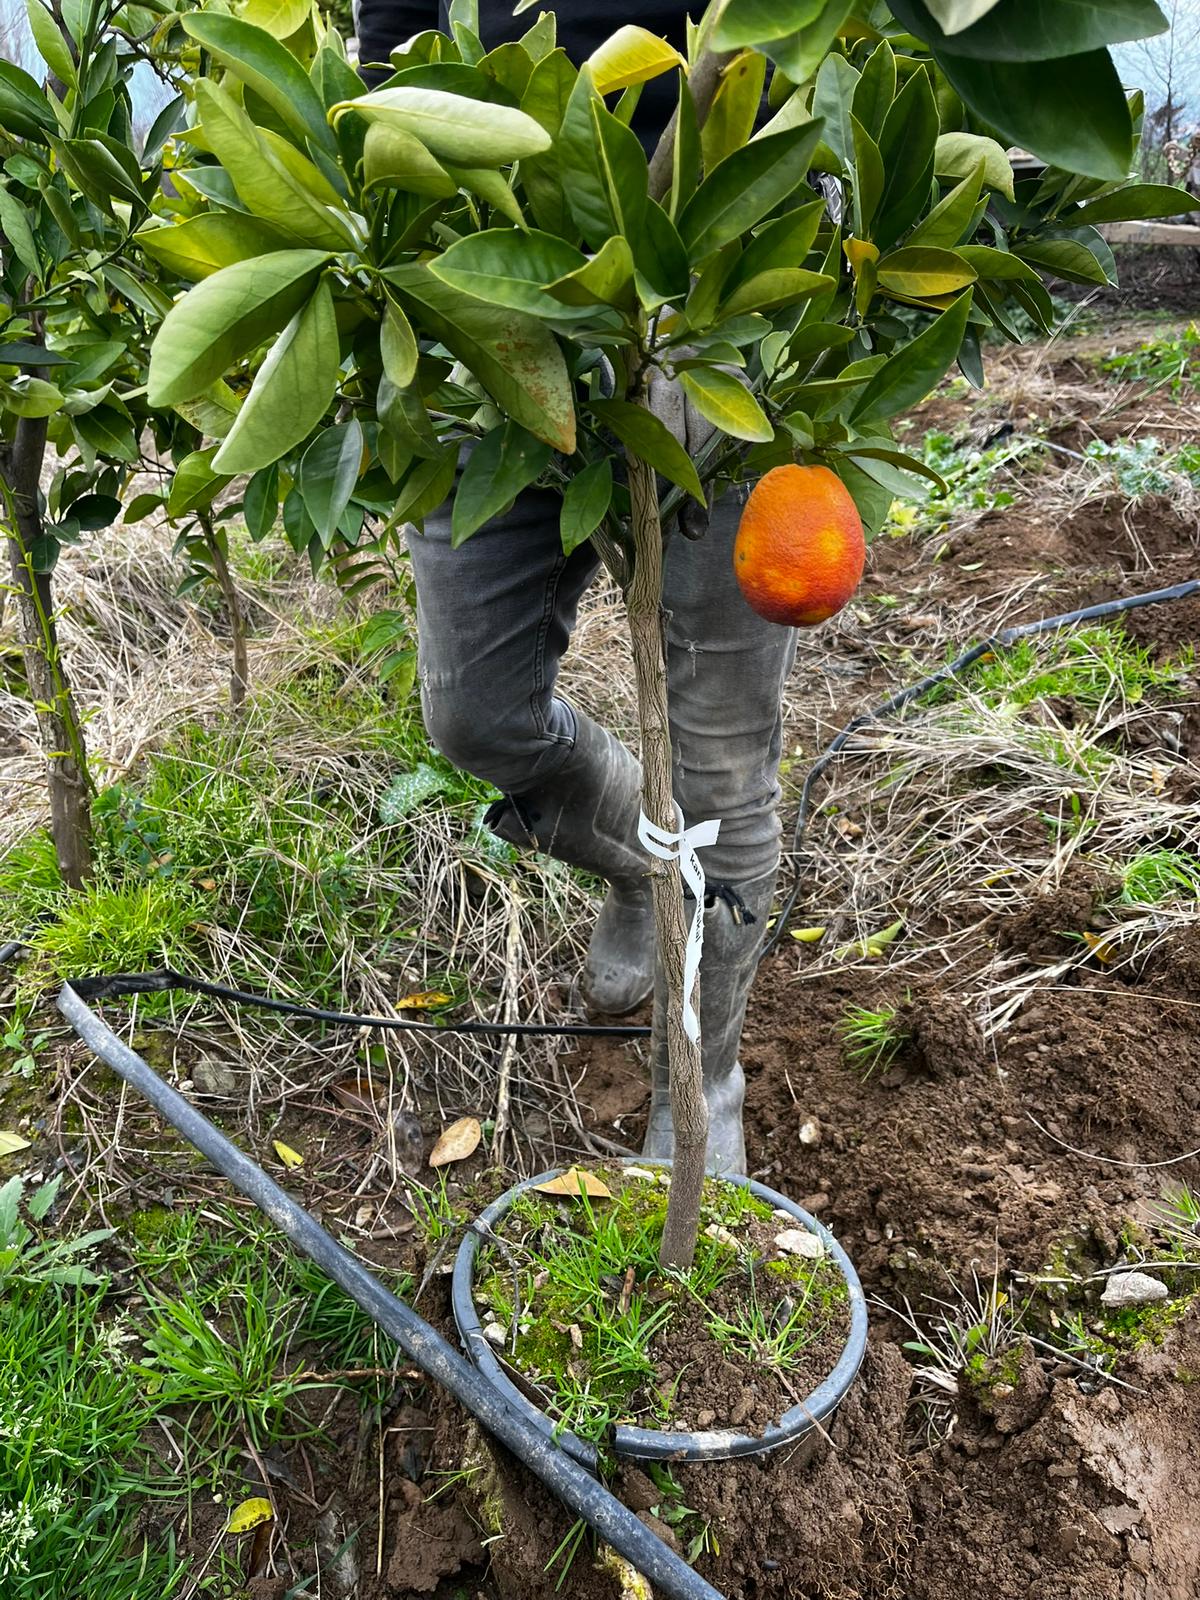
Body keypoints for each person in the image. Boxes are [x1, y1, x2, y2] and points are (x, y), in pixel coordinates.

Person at [356, 2, 797, 1175]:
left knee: (716, 761)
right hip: (508, 273)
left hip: (723, 277)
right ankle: (641, 861)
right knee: (474, 711)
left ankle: (701, 1093)